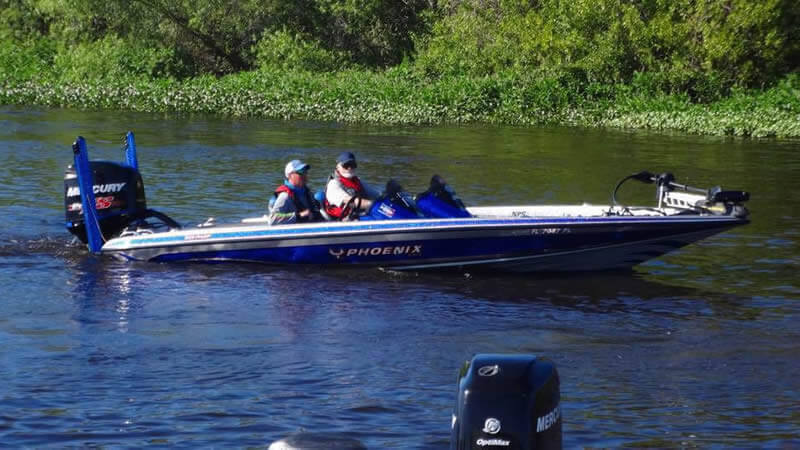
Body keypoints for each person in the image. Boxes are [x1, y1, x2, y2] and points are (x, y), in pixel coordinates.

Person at [323, 152, 379, 220]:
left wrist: (385, 198)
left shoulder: (358, 181)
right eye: (346, 165)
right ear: (338, 167)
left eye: (352, 165)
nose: (349, 168)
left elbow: (376, 195)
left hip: (360, 215)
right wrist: (371, 204)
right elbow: (349, 201)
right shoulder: (333, 184)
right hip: (342, 221)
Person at [268, 159, 321, 225]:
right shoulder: (285, 196)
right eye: (300, 172)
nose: (304, 175)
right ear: (290, 175)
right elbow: (272, 219)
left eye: (305, 172)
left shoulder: (308, 193)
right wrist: (298, 216)